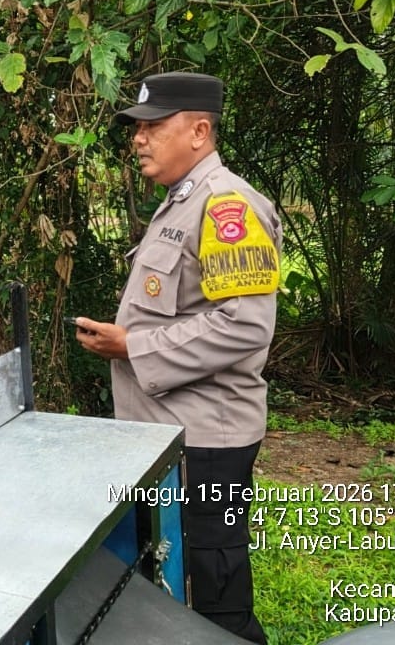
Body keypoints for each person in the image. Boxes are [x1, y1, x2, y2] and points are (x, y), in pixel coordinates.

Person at [75, 72, 279, 644]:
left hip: (204, 446)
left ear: (199, 131)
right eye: (136, 128)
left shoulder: (226, 207)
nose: (138, 139)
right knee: (171, 592)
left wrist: (132, 346)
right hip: (170, 437)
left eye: (153, 126)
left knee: (212, 600)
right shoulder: (182, 203)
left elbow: (245, 325)